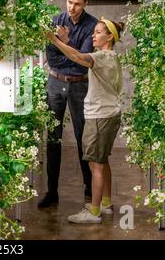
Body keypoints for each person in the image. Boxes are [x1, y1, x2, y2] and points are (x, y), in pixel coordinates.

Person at [45, 18, 124, 224]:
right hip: (109, 114)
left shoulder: (102, 58)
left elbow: (78, 57)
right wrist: (66, 41)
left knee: (94, 165)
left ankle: (94, 212)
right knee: (102, 160)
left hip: (99, 117)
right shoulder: (110, 56)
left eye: (98, 32)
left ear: (109, 37)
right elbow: (78, 56)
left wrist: (54, 40)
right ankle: (105, 203)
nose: (93, 35)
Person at [38, 0, 97, 208]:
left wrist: (65, 43)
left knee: (84, 137)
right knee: (53, 138)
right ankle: (52, 192)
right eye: (70, 2)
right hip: (55, 83)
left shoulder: (92, 25)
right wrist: (70, 52)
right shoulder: (55, 21)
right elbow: (52, 59)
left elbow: (82, 63)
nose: (72, 8)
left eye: (77, 4)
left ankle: (90, 189)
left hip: (78, 85)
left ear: (85, 4)